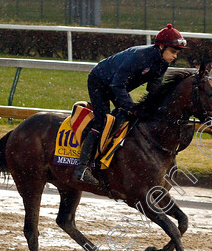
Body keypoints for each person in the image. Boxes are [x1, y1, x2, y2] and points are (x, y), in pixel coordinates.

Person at [72, 24, 188, 185]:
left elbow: (153, 89)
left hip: (116, 84)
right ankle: (82, 168)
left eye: (177, 53)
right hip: (100, 81)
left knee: (127, 118)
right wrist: (131, 107)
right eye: (173, 51)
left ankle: (112, 159)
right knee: (104, 121)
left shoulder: (163, 62)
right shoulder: (140, 57)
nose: (175, 56)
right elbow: (117, 85)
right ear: (161, 46)